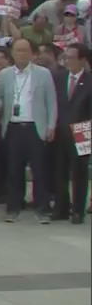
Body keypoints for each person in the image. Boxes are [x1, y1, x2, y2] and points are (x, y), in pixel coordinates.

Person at [0, 38, 59, 223]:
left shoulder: (43, 74)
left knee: (40, 170)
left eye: (25, 50)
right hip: (13, 127)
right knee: (14, 170)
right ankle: (14, 207)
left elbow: (51, 102)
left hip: (35, 126)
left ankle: (42, 209)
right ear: (12, 54)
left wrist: (51, 125)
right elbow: (0, 103)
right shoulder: (4, 75)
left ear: (32, 53)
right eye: (17, 50)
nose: (21, 54)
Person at [51, 43, 90, 223]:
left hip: (82, 131)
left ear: (82, 60)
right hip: (60, 130)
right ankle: (61, 208)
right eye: (65, 58)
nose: (68, 62)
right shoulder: (58, 77)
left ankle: (78, 210)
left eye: (72, 58)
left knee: (79, 173)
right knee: (59, 171)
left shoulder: (89, 80)